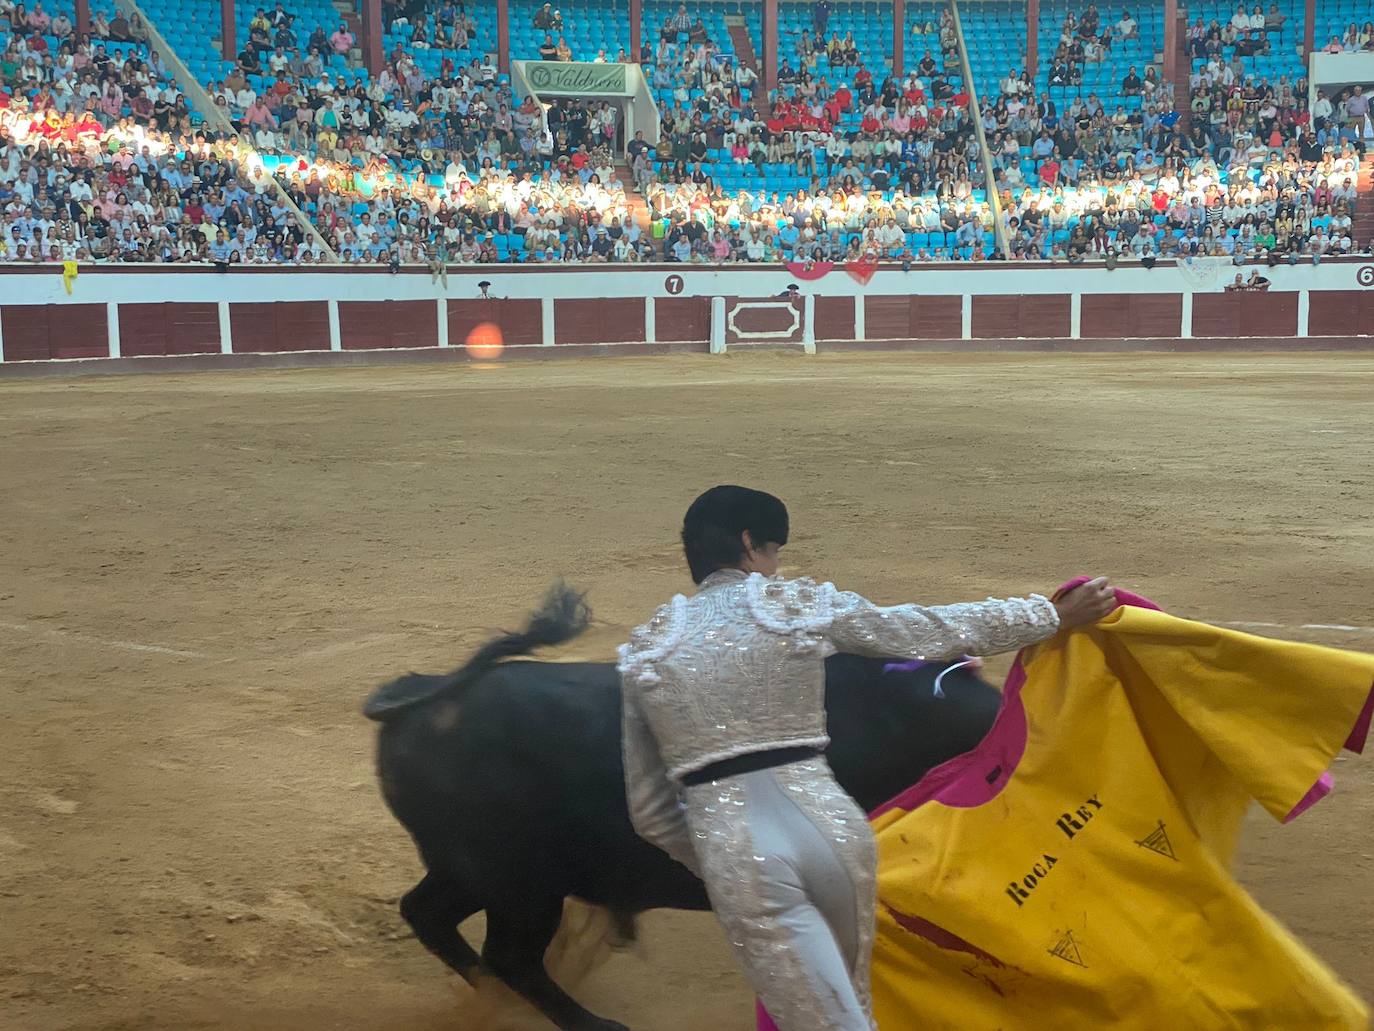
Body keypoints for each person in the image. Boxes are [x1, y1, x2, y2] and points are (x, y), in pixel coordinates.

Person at [618, 486, 1118, 1031]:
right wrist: (1048, 615)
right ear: (748, 542)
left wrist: (716, 858)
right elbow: (928, 628)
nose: (776, 566)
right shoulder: (791, 606)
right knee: (853, 1005)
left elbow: (649, 812)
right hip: (835, 830)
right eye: (775, 551)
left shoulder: (647, 648)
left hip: (736, 851)